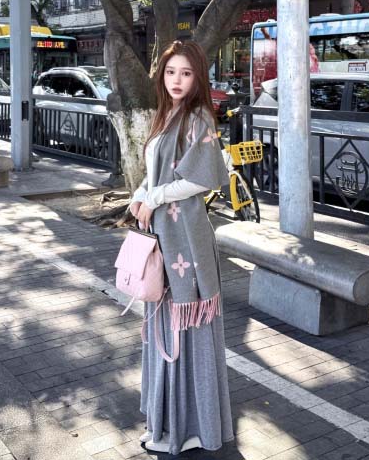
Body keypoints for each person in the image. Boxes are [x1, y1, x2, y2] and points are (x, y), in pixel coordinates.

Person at [130, 40, 234, 455]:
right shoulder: (167, 114)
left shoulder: (198, 117)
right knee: (165, 323)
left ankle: (190, 427)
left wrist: (153, 197)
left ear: (198, 77)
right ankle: (167, 422)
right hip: (164, 235)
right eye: (171, 71)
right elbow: (155, 172)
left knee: (185, 327)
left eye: (186, 73)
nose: (177, 80)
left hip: (186, 239)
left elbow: (201, 179)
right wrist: (139, 196)